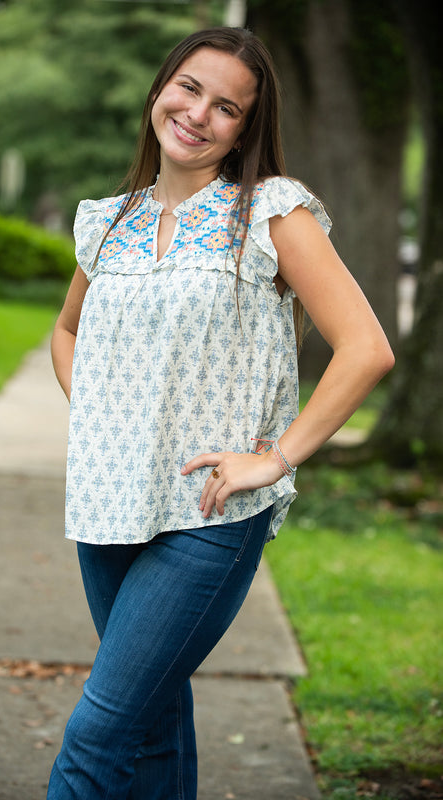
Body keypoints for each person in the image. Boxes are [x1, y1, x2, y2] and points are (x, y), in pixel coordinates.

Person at [47, 26, 394, 799]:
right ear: (159, 89)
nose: (199, 113)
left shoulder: (270, 211)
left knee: (98, 733)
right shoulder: (109, 222)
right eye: (189, 88)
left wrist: (273, 460)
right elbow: (66, 331)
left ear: (245, 128)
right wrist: (101, 417)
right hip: (109, 507)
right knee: (154, 720)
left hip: (208, 516)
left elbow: (365, 348)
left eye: (226, 107)